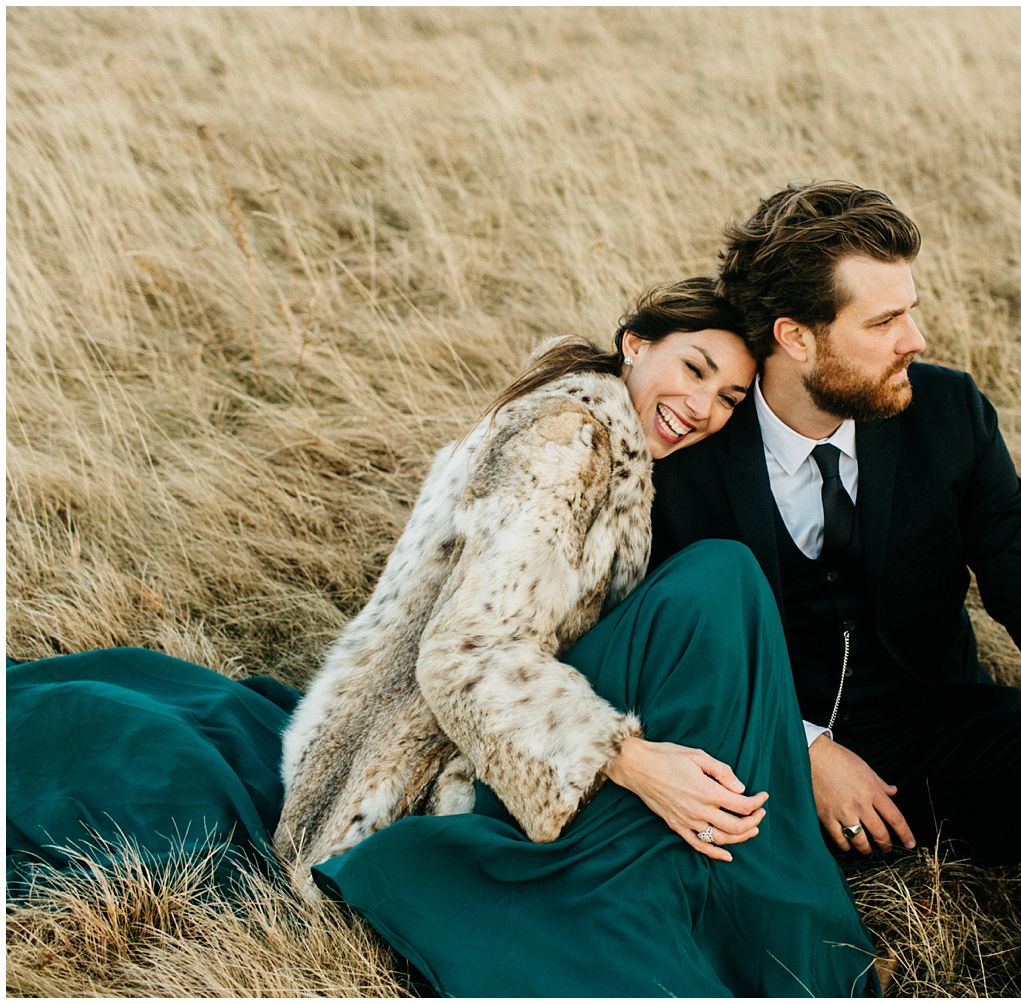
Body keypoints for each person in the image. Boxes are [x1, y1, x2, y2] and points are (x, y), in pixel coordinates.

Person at [7, 278, 881, 997]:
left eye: (728, 396)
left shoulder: (616, 447)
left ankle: (718, 861)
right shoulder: (566, 441)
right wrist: (628, 758)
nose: (701, 407)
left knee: (717, 589)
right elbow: (464, 657)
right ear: (633, 344)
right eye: (692, 369)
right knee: (722, 579)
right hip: (438, 763)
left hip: (502, 727)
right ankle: (702, 877)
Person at [650, 182, 1021, 996]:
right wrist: (803, 746)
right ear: (796, 339)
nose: (913, 339)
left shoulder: (950, 412)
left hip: (943, 742)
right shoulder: (691, 447)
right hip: (758, 773)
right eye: (882, 323)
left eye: (910, 311)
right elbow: (663, 654)